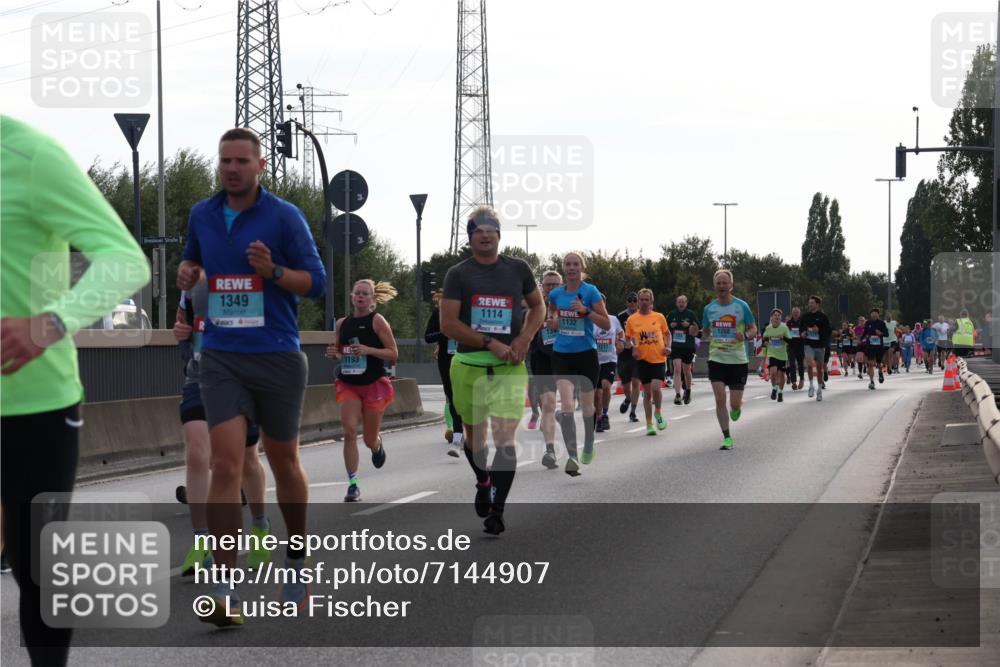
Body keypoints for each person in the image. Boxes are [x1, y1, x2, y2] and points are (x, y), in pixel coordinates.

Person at [1, 115, 150, 666]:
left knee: (36, 567)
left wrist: (48, 324)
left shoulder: (32, 156)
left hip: (35, 403)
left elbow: (124, 260)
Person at [178, 127, 326, 626]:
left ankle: (297, 562)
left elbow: (317, 283)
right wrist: (187, 272)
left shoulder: (284, 216)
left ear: (260, 165)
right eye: (225, 160)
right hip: (220, 356)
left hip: (276, 355)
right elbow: (193, 260)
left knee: (284, 463)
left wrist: (273, 271)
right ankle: (225, 588)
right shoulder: (202, 214)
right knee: (225, 464)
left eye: (242, 160)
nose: (232, 168)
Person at [440, 206, 544, 535]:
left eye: (491, 230)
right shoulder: (458, 274)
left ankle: (497, 510)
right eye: (478, 230)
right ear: (470, 236)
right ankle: (483, 480)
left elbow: (538, 306)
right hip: (469, 366)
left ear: (499, 235)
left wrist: (524, 338)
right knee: (475, 438)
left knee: (504, 437)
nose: (485, 235)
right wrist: (489, 342)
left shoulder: (518, 269)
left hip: (509, 367)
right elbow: (448, 324)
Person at [174, 280, 270, 576]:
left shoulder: (248, 276)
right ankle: (201, 541)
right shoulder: (192, 281)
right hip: (199, 379)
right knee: (197, 454)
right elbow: (182, 323)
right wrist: (183, 336)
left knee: (247, 460)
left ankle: (260, 528)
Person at [328, 280, 399, 502]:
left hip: (373, 384)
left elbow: (393, 353)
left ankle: (376, 445)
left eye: (365, 294)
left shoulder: (377, 321)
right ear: (352, 297)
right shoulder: (342, 323)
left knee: (368, 439)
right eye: (357, 293)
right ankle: (353, 485)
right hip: (349, 384)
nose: (360, 296)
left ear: (372, 299)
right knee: (349, 431)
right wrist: (334, 354)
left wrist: (368, 350)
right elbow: (340, 351)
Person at [547, 251, 611, 471]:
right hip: (562, 354)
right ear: (563, 268)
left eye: (575, 264)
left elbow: (606, 324)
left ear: (582, 267)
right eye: (568, 264)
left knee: (587, 407)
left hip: (586, 354)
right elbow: (551, 312)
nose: (572, 267)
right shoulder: (556, 294)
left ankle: (589, 445)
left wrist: (586, 312)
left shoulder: (590, 291)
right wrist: (552, 320)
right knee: (566, 404)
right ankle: (572, 456)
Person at [701, 270, 757, 450]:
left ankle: (736, 407)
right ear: (714, 286)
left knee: (734, 403)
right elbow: (706, 332)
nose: (722, 286)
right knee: (719, 398)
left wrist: (745, 335)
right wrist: (699, 333)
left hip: (738, 360)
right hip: (717, 358)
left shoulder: (742, 306)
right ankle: (727, 437)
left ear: (731, 286)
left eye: (725, 283)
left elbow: (753, 328)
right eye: (719, 283)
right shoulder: (709, 309)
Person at [625, 289, 671, 436]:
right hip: (642, 360)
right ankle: (649, 424)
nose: (644, 302)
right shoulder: (632, 319)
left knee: (656, 388)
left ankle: (658, 412)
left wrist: (668, 346)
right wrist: (633, 348)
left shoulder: (659, 317)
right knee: (647, 392)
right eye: (642, 300)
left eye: (647, 300)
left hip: (659, 358)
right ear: (638, 302)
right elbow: (628, 339)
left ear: (651, 301)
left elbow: (667, 333)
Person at [529, 271, 563, 469]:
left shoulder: (569, 305)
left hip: (566, 359)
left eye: (555, 284)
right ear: (542, 287)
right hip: (542, 360)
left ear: (561, 285)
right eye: (548, 284)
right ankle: (550, 450)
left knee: (565, 404)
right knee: (549, 403)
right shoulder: (536, 308)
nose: (551, 288)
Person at [425, 289, 464, 457]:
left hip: (468, 359)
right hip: (446, 361)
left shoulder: (469, 311)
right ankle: (458, 436)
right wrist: (444, 334)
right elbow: (428, 336)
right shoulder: (439, 313)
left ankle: (469, 432)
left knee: (466, 398)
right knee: (452, 397)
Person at [593, 294, 625, 433]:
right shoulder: (590, 319)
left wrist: (621, 342)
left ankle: (605, 414)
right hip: (594, 360)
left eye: (601, 303)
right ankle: (599, 417)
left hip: (609, 359)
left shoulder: (613, 319)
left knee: (606, 385)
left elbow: (621, 333)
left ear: (604, 304)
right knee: (596, 394)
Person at [667, 295, 700, 405]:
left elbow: (698, 328)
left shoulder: (691, 314)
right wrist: (670, 326)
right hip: (675, 346)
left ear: (686, 303)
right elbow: (664, 329)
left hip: (688, 346)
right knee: (677, 369)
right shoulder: (671, 314)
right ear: (676, 303)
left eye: (683, 302)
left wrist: (689, 325)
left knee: (686, 370)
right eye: (679, 302)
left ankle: (688, 391)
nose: (681, 304)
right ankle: (677, 394)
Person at [800, 295, 832, 401]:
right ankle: (811, 386)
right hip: (808, 344)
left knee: (819, 368)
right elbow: (801, 328)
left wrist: (819, 330)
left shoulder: (823, 317)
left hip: (820, 346)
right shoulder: (805, 316)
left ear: (817, 304)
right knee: (809, 364)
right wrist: (803, 333)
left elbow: (828, 332)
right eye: (809, 302)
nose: (810, 304)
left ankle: (819, 390)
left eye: (812, 303)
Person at [616, 292, 640, 421]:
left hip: (637, 354)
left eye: (634, 300)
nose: (632, 303)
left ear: (638, 302)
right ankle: (628, 399)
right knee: (626, 386)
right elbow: (616, 332)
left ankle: (633, 412)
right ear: (626, 302)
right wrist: (620, 342)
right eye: (630, 300)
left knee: (636, 382)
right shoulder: (620, 316)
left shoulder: (642, 316)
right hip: (624, 354)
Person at [762, 309, 792, 402]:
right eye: (775, 315)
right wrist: (765, 342)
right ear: (772, 317)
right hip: (772, 353)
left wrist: (783, 338)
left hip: (782, 355)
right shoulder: (768, 328)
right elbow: (765, 338)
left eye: (779, 315)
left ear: (780, 317)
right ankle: (774, 388)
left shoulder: (784, 328)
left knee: (781, 375)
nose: (777, 317)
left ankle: (780, 393)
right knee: (773, 372)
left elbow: (790, 341)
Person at [861, 308, 890, 389]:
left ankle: (880, 372)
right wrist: (861, 339)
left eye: (875, 313)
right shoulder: (868, 323)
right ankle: (872, 382)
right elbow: (865, 332)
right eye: (872, 313)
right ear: (870, 315)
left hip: (879, 346)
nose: (874, 315)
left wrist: (881, 333)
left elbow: (886, 334)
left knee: (879, 363)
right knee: (870, 364)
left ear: (878, 315)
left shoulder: (881, 323)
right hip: (870, 346)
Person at [785, 306, 805, 390]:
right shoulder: (789, 323)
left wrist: (803, 334)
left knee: (800, 364)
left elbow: (805, 332)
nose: (796, 314)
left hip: (800, 346)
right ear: (792, 313)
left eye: (797, 312)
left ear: (799, 313)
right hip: (791, 346)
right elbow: (786, 334)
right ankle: (793, 382)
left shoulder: (802, 322)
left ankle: (802, 379)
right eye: (794, 312)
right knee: (792, 364)